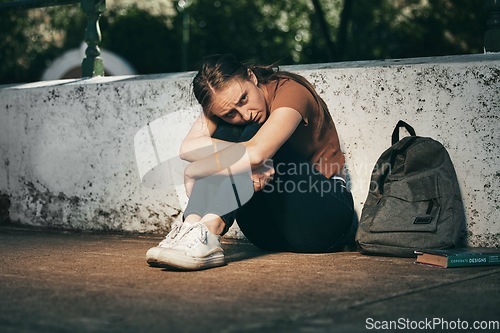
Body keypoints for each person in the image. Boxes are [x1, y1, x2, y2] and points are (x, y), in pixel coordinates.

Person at [146, 53, 355, 270]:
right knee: (233, 133)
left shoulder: (290, 90)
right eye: (230, 112)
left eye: (244, 99)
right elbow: (188, 148)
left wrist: (195, 170)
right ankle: (191, 227)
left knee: (255, 139)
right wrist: (243, 154)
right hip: (267, 233)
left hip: (325, 218)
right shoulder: (222, 103)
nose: (245, 113)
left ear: (251, 77)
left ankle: (210, 229)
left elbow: (257, 153)